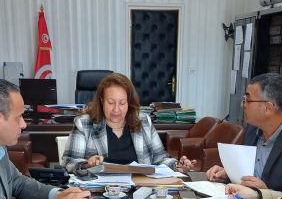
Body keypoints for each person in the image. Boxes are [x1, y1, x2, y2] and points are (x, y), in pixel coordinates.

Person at [61, 73, 195, 173]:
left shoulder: (143, 121)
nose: (116, 109)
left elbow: (160, 159)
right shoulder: (84, 124)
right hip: (99, 193)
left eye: (122, 103)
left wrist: (177, 165)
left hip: (140, 191)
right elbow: (69, 162)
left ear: (129, 102)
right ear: (101, 100)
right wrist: (87, 164)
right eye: (111, 102)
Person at [205, 73, 282, 193]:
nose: (242, 105)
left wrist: (266, 194)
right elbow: (246, 171)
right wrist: (228, 174)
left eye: (247, 100)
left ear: (268, 107)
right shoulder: (252, 129)